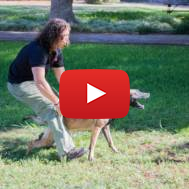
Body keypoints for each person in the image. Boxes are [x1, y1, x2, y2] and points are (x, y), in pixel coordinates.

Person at [7, 18, 87, 161]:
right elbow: (40, 82)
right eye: (65, 36)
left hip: (33, 82)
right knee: (51, 108)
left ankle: (46, 140)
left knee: (61, 106)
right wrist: (57, 102)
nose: (67, 40)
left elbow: (62, 78)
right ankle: (67, 151)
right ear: (54, 36)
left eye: (68, 35)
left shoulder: (56, 51)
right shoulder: (38, 50)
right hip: (19, 85)